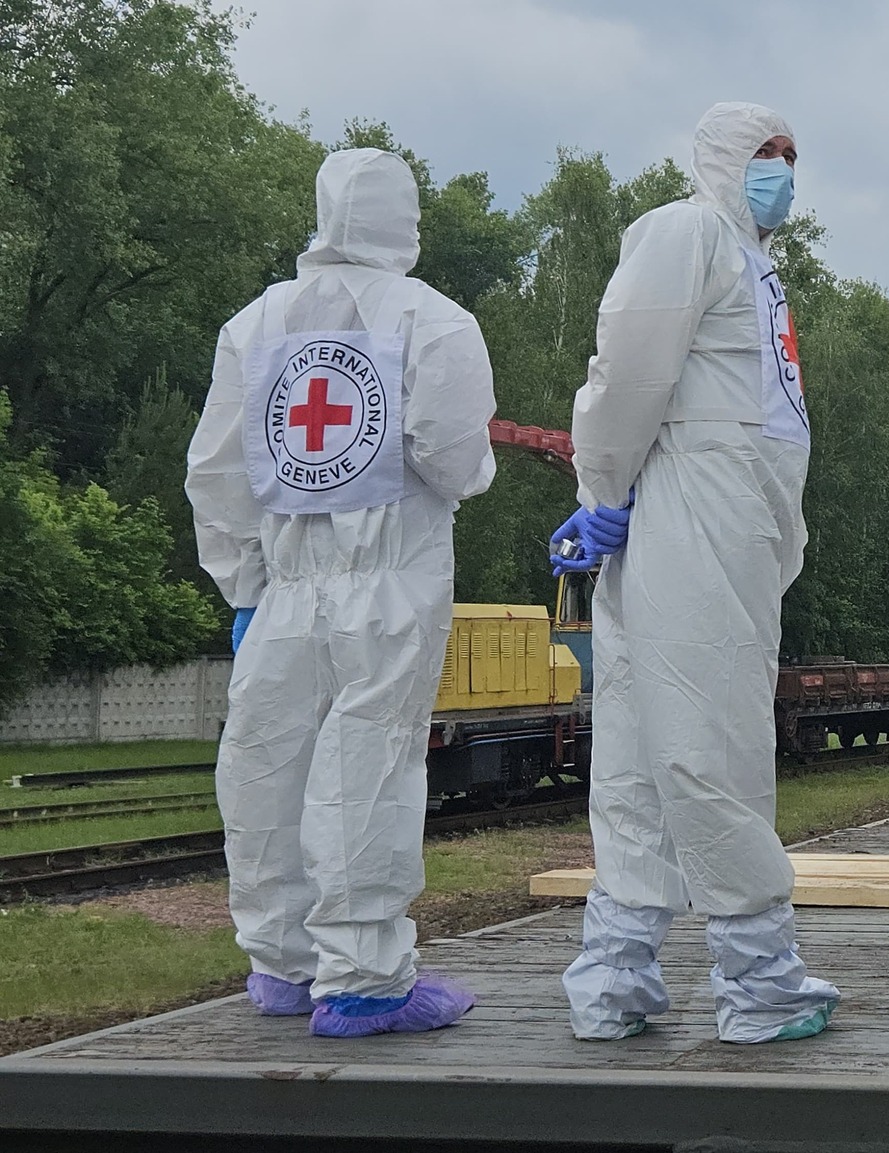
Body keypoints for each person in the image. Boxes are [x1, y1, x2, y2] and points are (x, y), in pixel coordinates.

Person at [187, 149, 497, 1036]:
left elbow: (218, 472)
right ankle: (363, 977)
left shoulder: (254, 325)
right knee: (369, 766)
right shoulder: (434, 321)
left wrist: (245, 586)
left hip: (282, 590)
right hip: (390, 583)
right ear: (404, 218)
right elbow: (453, 459)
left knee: (266, 766)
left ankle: (281, 961)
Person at [553, 103, 839, 1044]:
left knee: (645, 742)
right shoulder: (689, 233)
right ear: (721, 158)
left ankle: (615, 972)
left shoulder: (754, 263)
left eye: (791, 154)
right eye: (766, 152)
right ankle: (758, 977)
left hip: (713, 513)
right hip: (690, 509)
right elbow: (628, 372)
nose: (783, 170)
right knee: (711, 737)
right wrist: (603, 487)